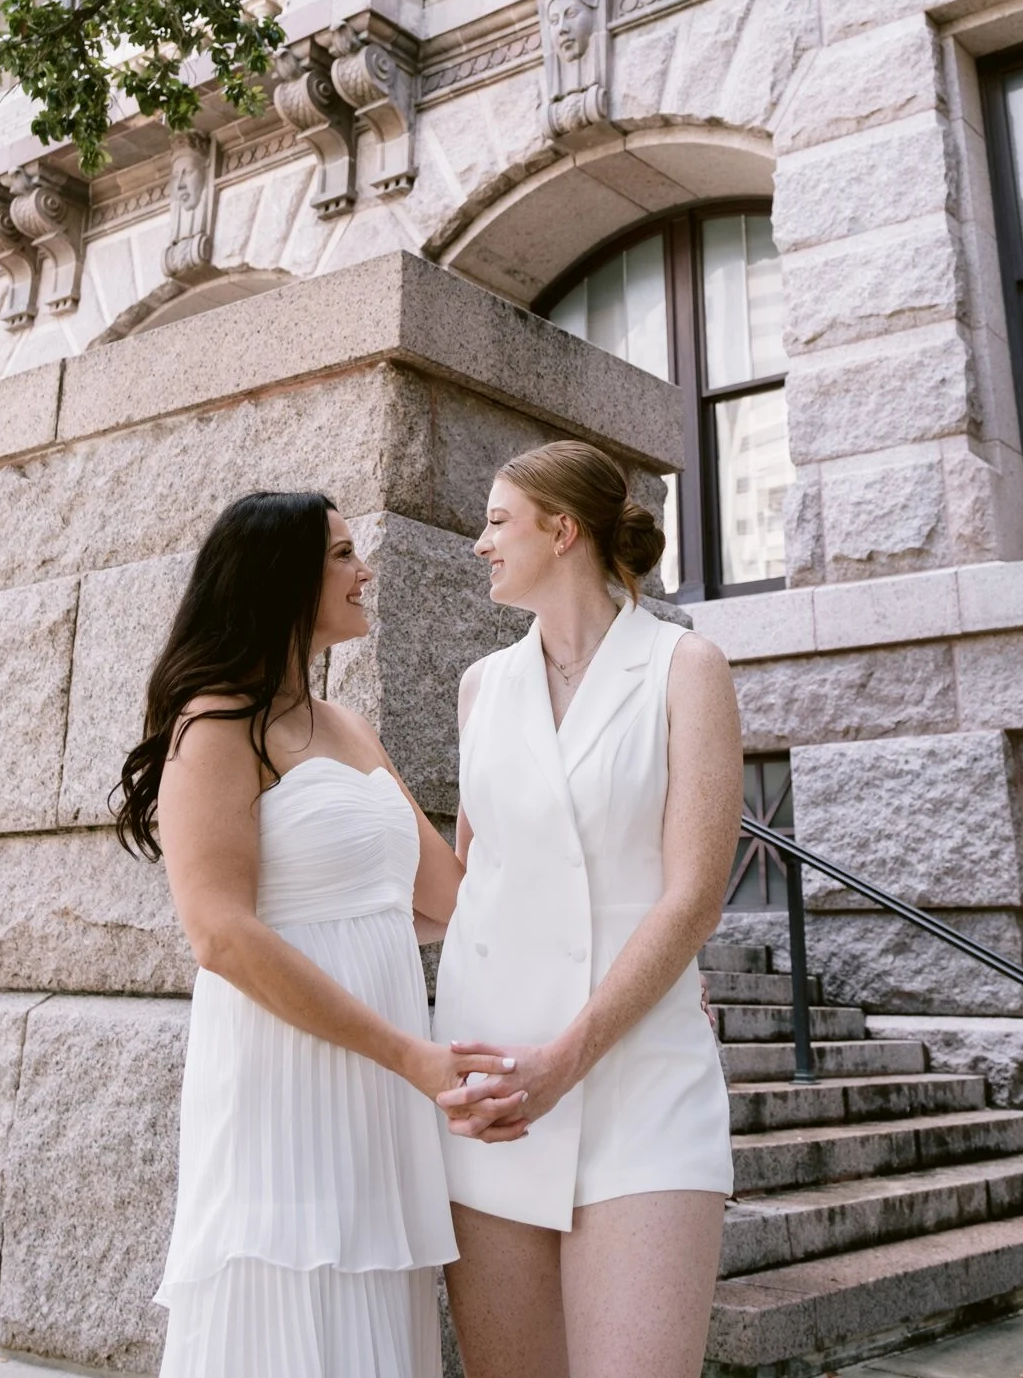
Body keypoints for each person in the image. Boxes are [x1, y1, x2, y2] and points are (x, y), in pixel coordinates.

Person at [114, 490, 511, 1378]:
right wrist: (409, 1055)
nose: (364, 571)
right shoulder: (215, 725)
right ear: (278, 577)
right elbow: (219, 934)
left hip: (385, 1090)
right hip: (288, 1075)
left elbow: (450, 900)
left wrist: (509, 766)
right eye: (341, 554)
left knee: (370, 1301)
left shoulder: (349, 729)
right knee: (289, 1299)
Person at [431, 440, 743, 1378]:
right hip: (493, 1088)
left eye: (496, 522)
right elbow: (468, 881)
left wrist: (566, 1059)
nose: (480, 544)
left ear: (561, 531)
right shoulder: (481, 686)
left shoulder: (685, 667)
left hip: (636, 1077)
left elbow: (693, 895)